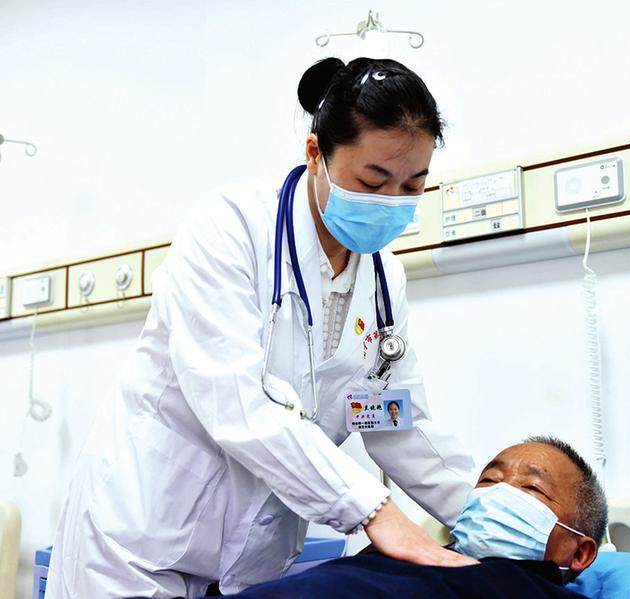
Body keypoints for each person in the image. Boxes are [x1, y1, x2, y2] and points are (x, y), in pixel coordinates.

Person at [44, 56, 476, 599]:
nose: (390, 203)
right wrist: (374, 510)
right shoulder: (231, 228)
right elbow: (237, 403)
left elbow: (394, 420)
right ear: (315, 153)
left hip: (254, 561)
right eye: (373, 181)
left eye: (412, 186)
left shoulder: (384, 278)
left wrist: (486, 515)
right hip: (141, 539)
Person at [222, 436, 608, 598]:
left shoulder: (529, 589)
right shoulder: (395, 554)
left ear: (580, 553)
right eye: (489, 480)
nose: (497, 494)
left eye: (531, 488)